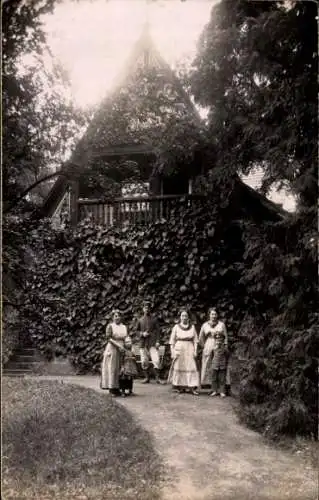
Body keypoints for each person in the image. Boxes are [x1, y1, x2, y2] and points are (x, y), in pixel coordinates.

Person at [167, 309, 200, 395]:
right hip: (179, 348)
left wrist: (195, 351)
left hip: (189, 348)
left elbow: (196, 340)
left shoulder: (192, 327)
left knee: (190, 366)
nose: (184, 318)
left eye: (186, 316)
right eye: (182, 316)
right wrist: (172, 352)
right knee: (179, 366)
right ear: (180, 317)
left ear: (188, 318)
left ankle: (192, 387)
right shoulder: (176, 327)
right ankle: (180, 387)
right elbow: (172, 341)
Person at [101, 309, 131, 396]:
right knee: (112, 368)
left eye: (119, 316)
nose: (117, 318)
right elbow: (109, 338)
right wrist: (118, 346)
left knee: (121, 369)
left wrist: (127, 345)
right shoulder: (110, 326)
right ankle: (111, 389)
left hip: (123, 348)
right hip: (113, 348)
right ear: (113, 318)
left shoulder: (124, 327)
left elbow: (127, 337)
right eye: (115, 316)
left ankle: (119, 388)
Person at [199, 308, 228, 390]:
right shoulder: (205, 325)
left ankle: (221, 385)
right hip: (209, 344)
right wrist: (204, 346)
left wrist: (225, 346)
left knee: (220, 364)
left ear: (217, 315)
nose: (214, 316)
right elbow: (201, 337)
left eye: (215, 314)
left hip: (220, 346)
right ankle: (207, 383)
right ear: (209, 315)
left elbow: (225, 336)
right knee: (208, 363)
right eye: (212, 314)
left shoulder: (221, 325)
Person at [136, 300, 163, 384]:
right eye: (145, 308)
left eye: (148, 308)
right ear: (143, 309)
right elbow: (136, 331)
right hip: (143, 343)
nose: (146, 309)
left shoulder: (154, 319)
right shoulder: (140, 320)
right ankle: (146, 378)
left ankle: (158, 378)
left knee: (156, 360)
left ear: (150, 309)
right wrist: (142, 334)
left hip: (152, 343)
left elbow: (158, 331)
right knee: (144, 361)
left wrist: (158, 341)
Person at [210, 332, 228, 397]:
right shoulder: (213, 348)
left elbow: (227, 356)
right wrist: (212, 363)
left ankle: (222, 391)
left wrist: (225, 363)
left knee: (222, 379)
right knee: (214, 378)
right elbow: (211, 356)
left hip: (222, 365)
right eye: (217, 340)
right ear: (215, 341)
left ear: (223, 341)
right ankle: (214, 390)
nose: (219, 342)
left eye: (220, 340)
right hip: (215, 365)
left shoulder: (225, 349)